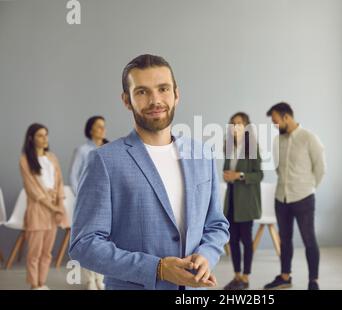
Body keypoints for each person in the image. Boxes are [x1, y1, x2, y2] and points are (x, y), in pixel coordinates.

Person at [69, 54, 229, 290]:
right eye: (142, 92)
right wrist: (158, 268)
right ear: (127, 100)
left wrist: (207, 254)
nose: (155, 100)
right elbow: (84, 244)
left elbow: (216, 225)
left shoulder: (202, 154)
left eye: (163, 89)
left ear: (176, 94)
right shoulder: (104, 160)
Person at [264, 102, 325, 290]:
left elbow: (320, 169)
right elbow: (277, 167)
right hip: (281, 198)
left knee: (309, 239)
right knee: (285, 239)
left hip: (304, 198)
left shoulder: (309, 138)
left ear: (286, 117)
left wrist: (307, 188)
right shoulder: (277, 141)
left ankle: (313, 280)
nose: (275, 126)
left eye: (276, 122)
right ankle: (285, 276)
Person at [19, 123, 69, 290]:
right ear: (31, 138)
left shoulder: (52, 158)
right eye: (40, 135)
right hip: (38, 210)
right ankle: (34, 285)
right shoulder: (25, 160)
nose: (44, 138)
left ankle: (42, 283)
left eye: (46, 135)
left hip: (54, 210)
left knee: (47, 253)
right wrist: (53, 207)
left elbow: (60, 183)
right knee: (34, 253)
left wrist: (60, 206)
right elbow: (32, 190)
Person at [222, 112, 263, 290]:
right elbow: (226, 172)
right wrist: (227, 176)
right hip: (231, 202)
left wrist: (239, 175)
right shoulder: (229, 147)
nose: (235, 126)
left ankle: (245, 278)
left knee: (246, 240)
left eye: (239, 123)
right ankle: (236, 276)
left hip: (246, 203)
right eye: (233, 123)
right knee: (233, 240)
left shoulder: (252, 148)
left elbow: (259, 175)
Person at [69, 116, 108, 290]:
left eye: (103, 126)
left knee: (105, 241)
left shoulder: (109, 148)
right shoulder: (82, 150)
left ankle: (101, 278)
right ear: (90, 129)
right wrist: (83, 197)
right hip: (88, 201)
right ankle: (89, 279)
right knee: (87, 240)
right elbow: (73, 176)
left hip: (107, 201)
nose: (102, 129)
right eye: (98, 126)